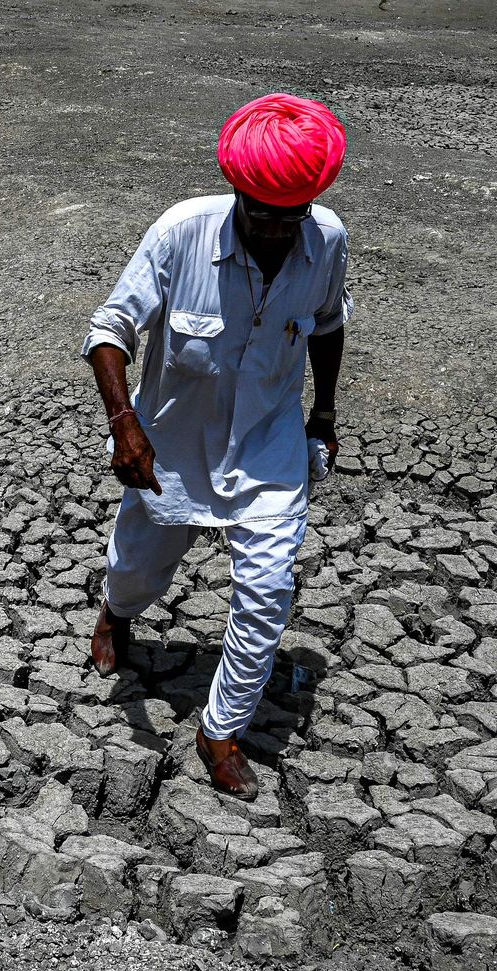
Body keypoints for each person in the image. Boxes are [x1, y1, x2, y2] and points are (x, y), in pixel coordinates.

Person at [80, 93, 351, 801]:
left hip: (268, 448)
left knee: (266, 592)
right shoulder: (180, 232)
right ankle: (116, 612)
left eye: (289, 217)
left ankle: (220, 729)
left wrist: (322, 414)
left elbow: (325, 327)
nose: (274, 230)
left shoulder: (326, 241)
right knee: (140, 569)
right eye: (260, 213)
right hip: (171, 442)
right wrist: (125, 424)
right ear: (236, 190)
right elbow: (110, 330)